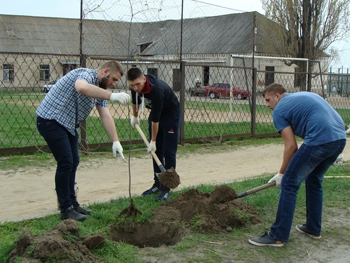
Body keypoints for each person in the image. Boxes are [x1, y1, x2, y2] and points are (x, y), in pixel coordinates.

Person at [249, 83, 346, 247]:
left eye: (268, 100)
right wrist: (333, 150)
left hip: (321, 140)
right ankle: (313, 228)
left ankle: (277, 236)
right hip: (339, 139)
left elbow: (291, 146)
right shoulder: (304, 96)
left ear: (278, 96)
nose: (267, 105)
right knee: (314, 179)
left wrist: (281, 174)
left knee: (289, 183)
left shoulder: (279, 110)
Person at [36, 60, 131, 221]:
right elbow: (81, 87)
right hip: (50, 120)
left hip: (68, 124)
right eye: (113, 79)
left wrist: (116, 141)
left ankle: (72, 203)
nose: (114, 84)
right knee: (66, 161)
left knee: (74, 161)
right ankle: (65, 209)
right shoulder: (85, 74)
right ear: (105, 71)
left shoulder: (100, 89)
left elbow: (105, 115)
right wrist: (112, 96)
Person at [127, 67, 180, 201]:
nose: (135, 88)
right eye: (132, 85)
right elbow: (135, 102)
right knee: (156, 153)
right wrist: (135, 116)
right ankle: (158, 183)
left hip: (170, 114)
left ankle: (167, 187)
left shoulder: (156, 90)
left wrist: (153, 141)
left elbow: (155, 120)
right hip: (156, 114)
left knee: (168, 151)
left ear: (144, 79)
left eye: (138, 84)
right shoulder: (135, 88)